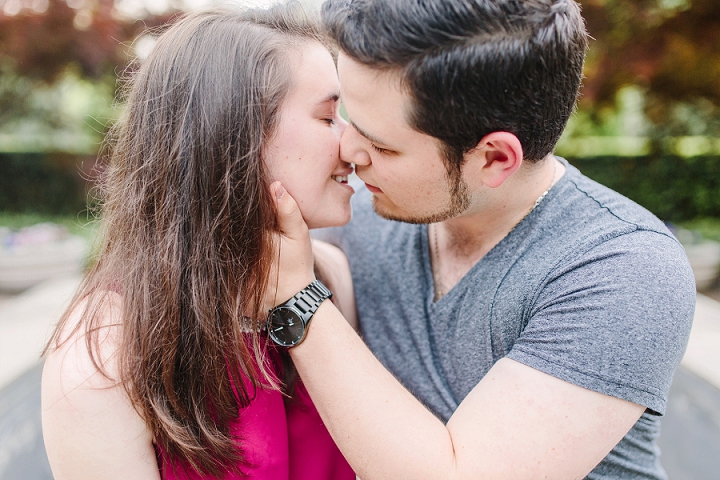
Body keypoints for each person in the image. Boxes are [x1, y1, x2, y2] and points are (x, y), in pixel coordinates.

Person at [266, 0, 697, 479]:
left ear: (494, 158)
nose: (349, 150)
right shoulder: (363, 210)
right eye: (345, 117)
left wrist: (299, 297)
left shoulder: (622, 267)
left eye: (382, 144)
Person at [41, 5, 356, 479]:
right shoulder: (105, 355)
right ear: (236, 136)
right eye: (329, 117)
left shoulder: (329, 276)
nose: (353, 145)